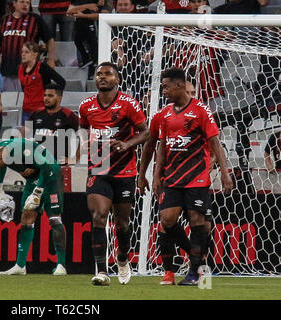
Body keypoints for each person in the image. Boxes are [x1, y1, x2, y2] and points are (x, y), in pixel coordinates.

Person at [152, 67, 233, 286]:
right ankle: (195, 257)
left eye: (166, 86)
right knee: (167, 219)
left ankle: (194, 273)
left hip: (196, 176)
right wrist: (156, 175)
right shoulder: (166, 113)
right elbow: (161, 147)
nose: (164, 91)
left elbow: (215, 143)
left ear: (179, 85)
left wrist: (225, 174)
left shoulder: (201, 110)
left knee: (198, 221)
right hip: (173, 177)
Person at [78, 62, 149, 286]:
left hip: (125, 171)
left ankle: (122, 258)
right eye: (99, 74)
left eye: (108, 74)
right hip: (98, 169)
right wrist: (82, 146)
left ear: (117, 79)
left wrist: (128, 145)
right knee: (99, 217)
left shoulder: (129, 104)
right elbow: (82, 128)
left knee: (122, 224)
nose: (102, 77)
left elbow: (146, 132)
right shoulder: (86, 106)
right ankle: (101, 271)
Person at [0, 137, 67, 276]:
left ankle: (61, 265)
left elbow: (45, 165)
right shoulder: (0, 150)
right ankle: (20, 265)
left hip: (51, 175)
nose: (0, 168)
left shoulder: (19, 149)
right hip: (33, 179)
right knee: (26, 220)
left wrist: (38, 192)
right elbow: (1, 169)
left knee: (54, 219)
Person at [0, 0, 56, 91]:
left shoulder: (35, 19)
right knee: (8, 102)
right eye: (22, 2)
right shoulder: (5, 19)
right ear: (14, 4)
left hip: (29, 71)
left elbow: (49, 39)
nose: (25, 5)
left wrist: (51, 59)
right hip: (7, 71)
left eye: (27, 3)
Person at [22, 83, 79, 165]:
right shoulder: (37, 113)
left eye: (50, 96)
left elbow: (85, 136)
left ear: (59, 98)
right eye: (45, 95)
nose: (46, 98)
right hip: (38, 163)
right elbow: (22, 133)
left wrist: (75, 159)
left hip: (59, 165)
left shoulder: (68, 115)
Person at [19, 42, 66, 124]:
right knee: (27, 136)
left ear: (35, 54)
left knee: (42, 136)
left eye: (26, 52)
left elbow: (61, 82)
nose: (23, 54)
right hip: (26, 110)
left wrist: (54, 98)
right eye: (22, 52)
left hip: (42, 110)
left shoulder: (42, 67)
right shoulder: (20, 68)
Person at [67, 0, 113, 77]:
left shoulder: (106, 1)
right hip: (81, 28)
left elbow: (103, 16)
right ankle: (88, 62)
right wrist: (88, 6)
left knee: (95, 47)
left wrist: (82, 14)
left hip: (100, 30)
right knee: (78, 41)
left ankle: (96, 65)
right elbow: (70, 11)